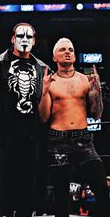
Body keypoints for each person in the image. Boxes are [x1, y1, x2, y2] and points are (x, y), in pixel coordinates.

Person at [38, 37, 110, 217]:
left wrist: (97, 92)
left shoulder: (85, 80)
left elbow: (96, 114)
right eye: (62, 49)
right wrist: (44, 91)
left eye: (70, 49)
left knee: (100, 186)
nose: (67, 52)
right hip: (57, 141)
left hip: (83, 140)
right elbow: (44, 116)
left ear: (75, 56)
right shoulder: (50, 81)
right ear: (54, 57)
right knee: (61, 195)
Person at [0, 22, 48, 217]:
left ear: (35, 41)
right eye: (20, 36)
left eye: (29, 37)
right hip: (2, 135)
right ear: (12, 39)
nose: (25, 40)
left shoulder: (42, 68)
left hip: (30, 137)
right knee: (0, 190)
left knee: (27, 190)